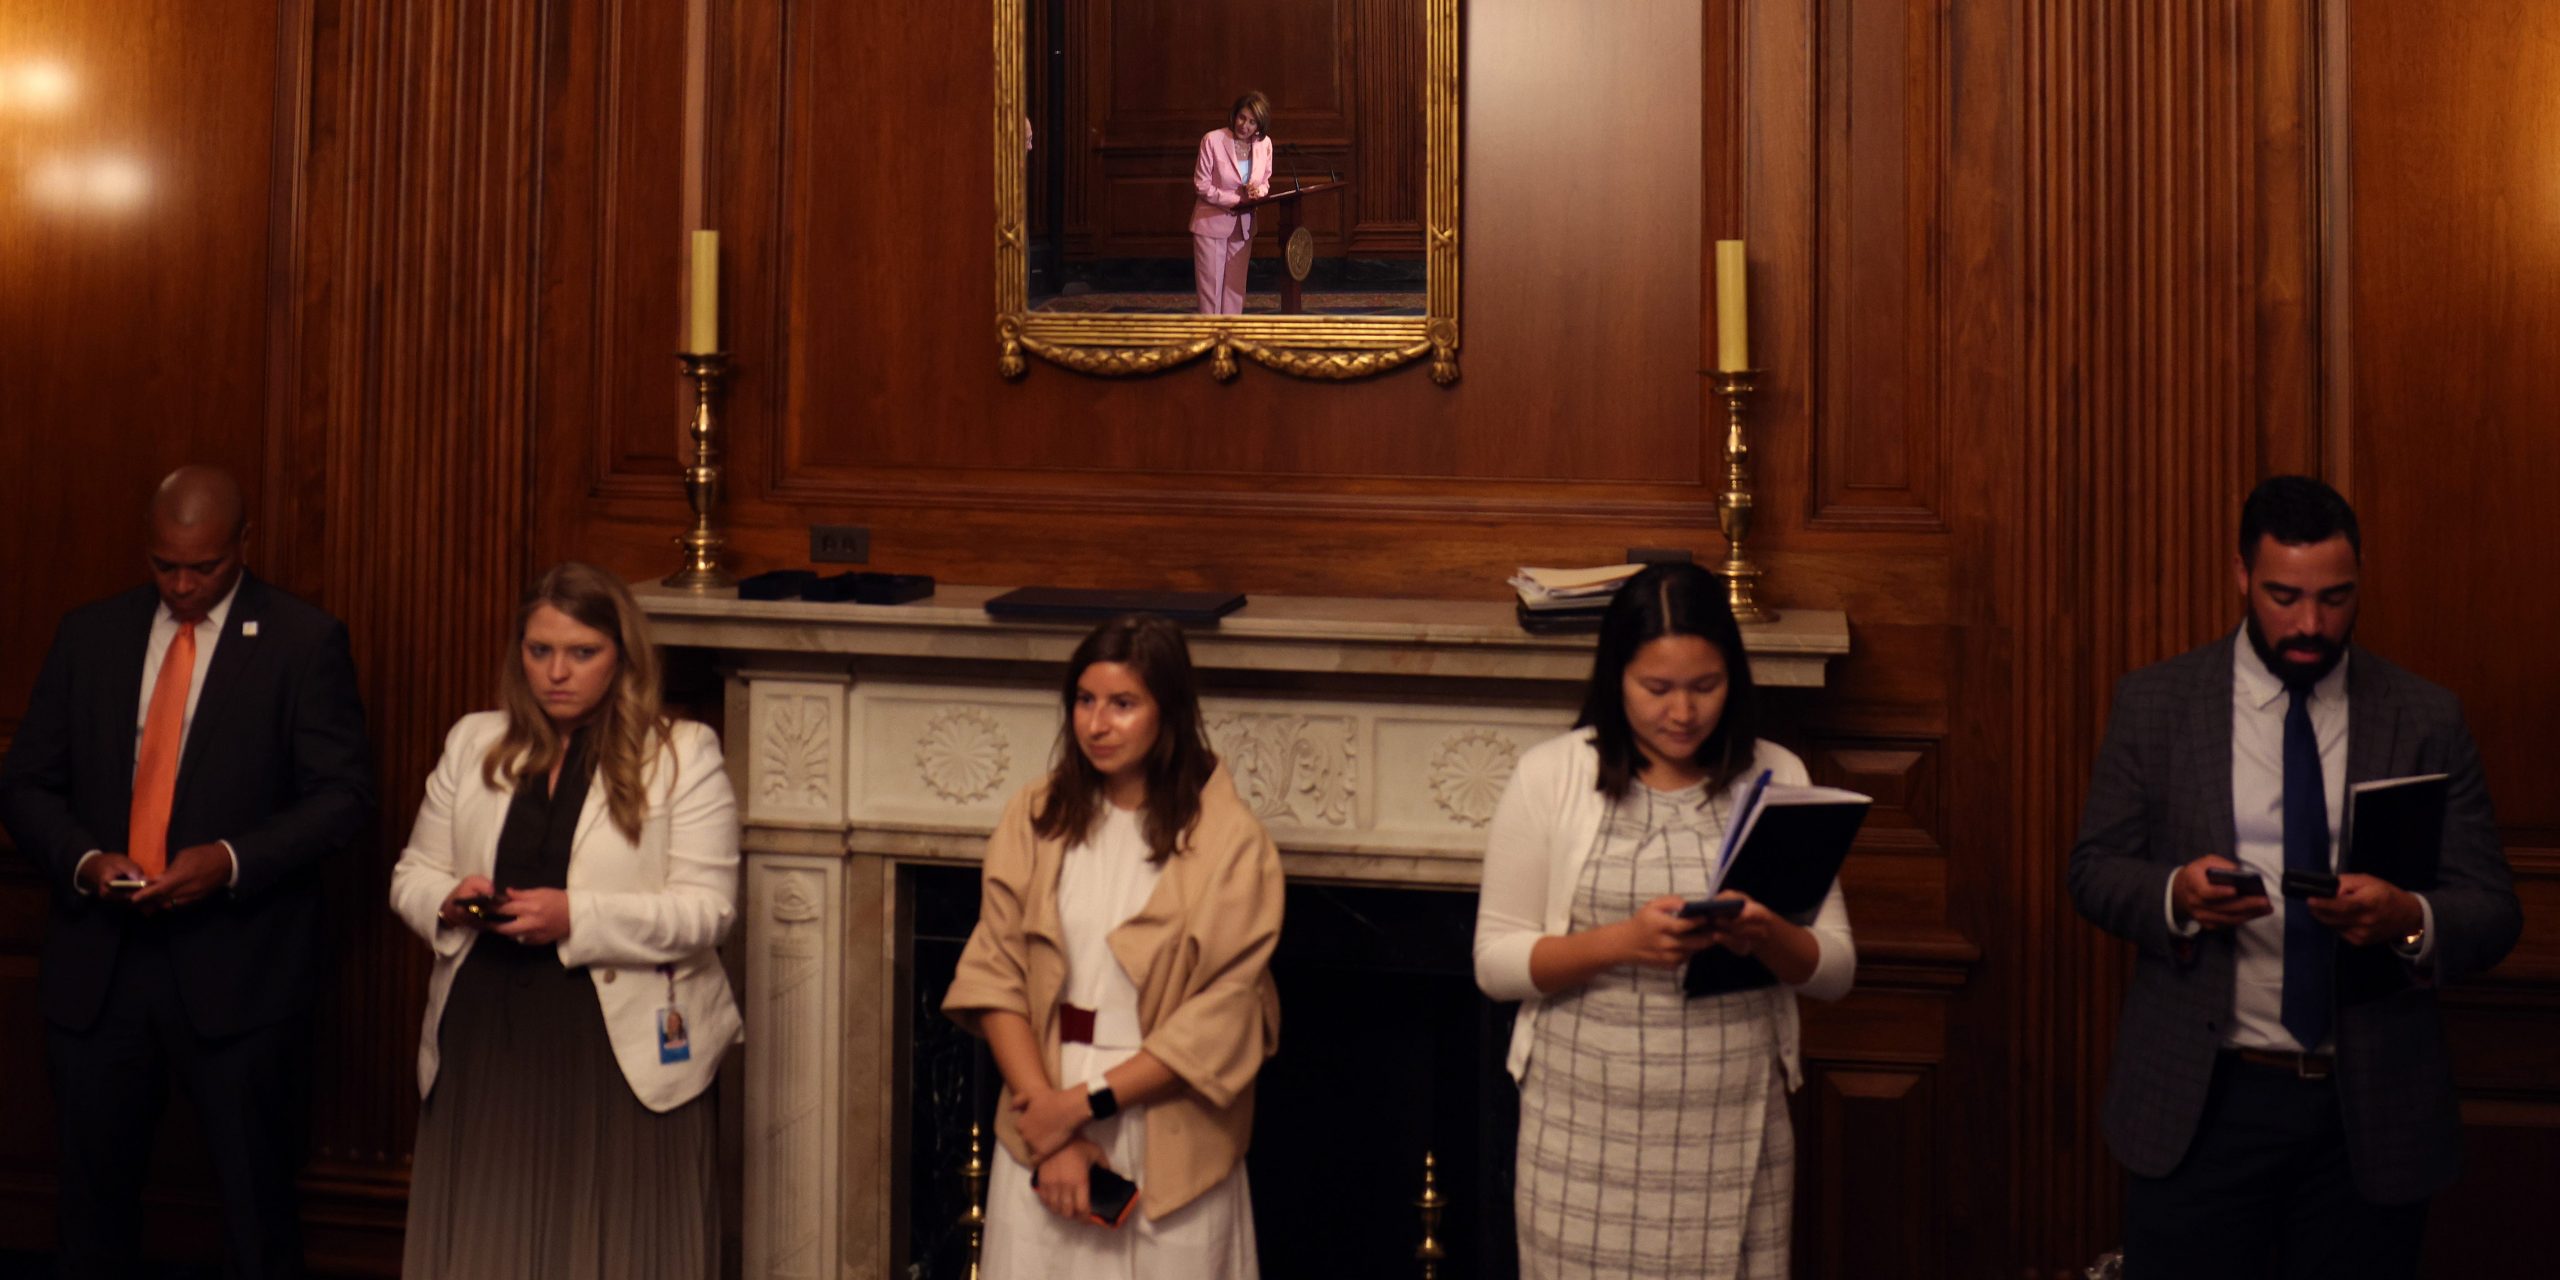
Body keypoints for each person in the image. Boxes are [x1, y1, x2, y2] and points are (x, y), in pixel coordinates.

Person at [2067, 476, 2521, 1279]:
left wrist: (2409, 917)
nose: (2311, 623)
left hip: (2370, 1107)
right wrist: (2175, 895)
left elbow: (2491, 908)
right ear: (2241, 575)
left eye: (2336, 598)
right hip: (2205, 1101)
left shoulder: (2426, 717)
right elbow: (2095, 869)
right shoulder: (2157, 705)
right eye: (2284, 596)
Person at [0, 465, 374, 1278]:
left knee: (253, 1215)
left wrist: (232, 862)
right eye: (164, 564)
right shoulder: (90, 634)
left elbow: (342, 799)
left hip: (239, 975)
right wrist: (85, 860)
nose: (181, 584)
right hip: (100, 971)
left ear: (245, 544)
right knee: (91, 1216)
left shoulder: (303, 642)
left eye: (201, 568)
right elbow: (26, 781)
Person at [1473, 562, 1854, 1280]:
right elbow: (1494, 963)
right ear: (1616, 678)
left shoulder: (1779, 775)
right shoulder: (1551, 776)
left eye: (1705, 687)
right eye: (1657, 689)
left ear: (1733, 680)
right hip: (1583, 1131)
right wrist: (1624, 942)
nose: (1682, 712)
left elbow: (1835, 971)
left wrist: (1767, 934)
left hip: (1733, 1123)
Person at [387, 562, 742, 1279]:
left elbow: (708, 912)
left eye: (583, 653)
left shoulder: (682, 753)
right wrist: (450, 902)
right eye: (539, 650)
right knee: (489, 1236)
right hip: (488, 1026)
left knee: (612, 1245)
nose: (557, 672)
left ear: (623, 656)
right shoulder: (474, 740)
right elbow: (410, 877)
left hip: (614, 1038)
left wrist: (574, 916)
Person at [943, 614, 1283, 1280]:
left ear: (1170, 713)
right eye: (1085, 701)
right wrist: (1054, 1128)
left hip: (1169, 1125)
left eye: (1123, 704)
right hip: (1042, 1108)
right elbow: (995, 974)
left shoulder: (1231, 841)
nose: (1097, 725)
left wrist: (1083, 1106)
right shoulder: (1036, 816)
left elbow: (1224, 1016)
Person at [1190, 91, 1274, 315]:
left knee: (1235, 288)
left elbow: (1265, 181)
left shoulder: (1264, 144)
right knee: (1211, 289)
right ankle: (1209, 339)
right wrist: (1237, 201)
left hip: (1244, 226)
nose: (1244, 125)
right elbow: (1201, 185)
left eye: (1252, 121)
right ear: (1234, 115)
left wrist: (1258, 191)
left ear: (1259, 125)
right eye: (1242, 118)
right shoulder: (1212, 140)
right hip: (1211, 223)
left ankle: (1232, 336)